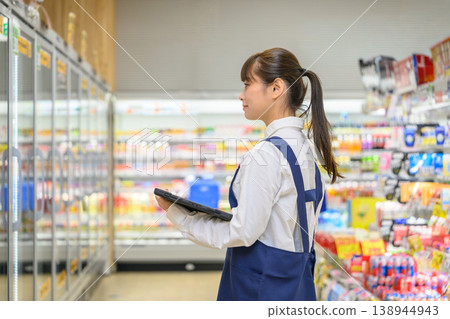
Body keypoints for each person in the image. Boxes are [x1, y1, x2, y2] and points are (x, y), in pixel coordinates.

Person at [155, 47, 341, 301]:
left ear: (276, 88)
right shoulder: (304, 149)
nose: (241, 95)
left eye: (247, 84)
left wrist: (179, 215)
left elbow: (242, 232)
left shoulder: (264, 156)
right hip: (296, 280)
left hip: (260, 285)